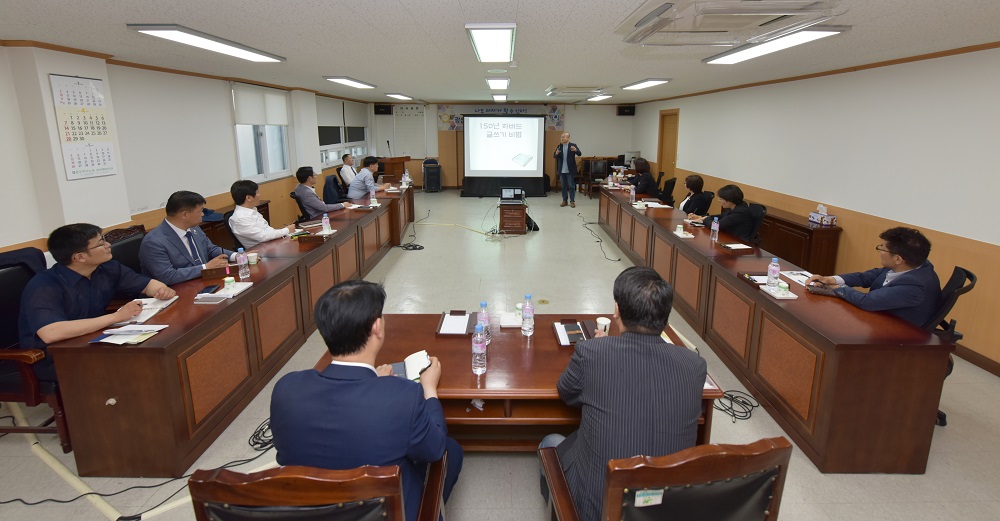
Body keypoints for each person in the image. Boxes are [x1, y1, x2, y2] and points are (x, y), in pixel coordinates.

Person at [270, 280, 463, 521]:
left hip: (312, 510)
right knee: (451, 450)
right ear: (377, 327)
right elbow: (435, 449)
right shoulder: (402, 396)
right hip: (391, 512)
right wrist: (429, 389)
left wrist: (372, 381)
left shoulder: (285, 390)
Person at [539, 266, 707, 521]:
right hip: (667, 508)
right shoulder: (694, 365)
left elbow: (566, 392)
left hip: (598, 509)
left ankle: (557, 506)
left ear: (617, 310)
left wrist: (596, 347)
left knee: (550, 442)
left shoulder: (592, 352)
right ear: (666, 316)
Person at [19, 223, 176, 381]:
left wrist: (161, 290)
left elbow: (147, 284)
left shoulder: (106, 268)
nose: (108, 245)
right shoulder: (44, 286)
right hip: (53, 357)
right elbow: (51, 333)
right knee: (135, 365)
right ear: (79, 257)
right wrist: (116, 317)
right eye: (101, 243)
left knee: (156, 349)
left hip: (92, 340)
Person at [806, 227, 942, 326]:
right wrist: (831, 279)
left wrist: (837, 287)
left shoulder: (915, 285)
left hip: (895, 334)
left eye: (882, 249)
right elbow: (865, 277)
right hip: (879, 316)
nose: (880, 251)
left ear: (898, 259)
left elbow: (867, 302)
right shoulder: (910, 264)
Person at [140, 191, 236, 285]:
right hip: (176, 290)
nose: (203, 214)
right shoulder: (153, 242)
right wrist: (205, 267)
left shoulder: (194, 228)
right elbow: (167, 276)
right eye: (200, 211)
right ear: (185, 215)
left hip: (203, 282)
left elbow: (211, 250)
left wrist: (237, 256)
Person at [228, 180, 294, 249]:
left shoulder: (251, 210)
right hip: (262, 252)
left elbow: (267, 230)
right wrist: (286, 230)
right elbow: (263, 236)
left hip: (272, 244)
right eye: (257, 193)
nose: (259, 195)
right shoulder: (240, 218)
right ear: (249, 198)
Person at [687, 184, 755, 242]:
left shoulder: (740, 212)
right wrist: (701, 217)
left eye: (721, 199)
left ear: (730, 201)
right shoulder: (736, 206)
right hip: (729, 238)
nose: (719, 201)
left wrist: (704, 219)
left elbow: (716, 226)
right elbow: (720, 216)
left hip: (737, 242)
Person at [553, 132, 582, 208]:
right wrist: (556, 153)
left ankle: (572, 201)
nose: (561, 138)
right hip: (561, 170)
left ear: (568, 138)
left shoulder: (573, 145)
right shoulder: (559, 146)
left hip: (570, 170)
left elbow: (579, 154)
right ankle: (564, 200)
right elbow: (554, 156)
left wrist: (575, 150)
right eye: (561, 137)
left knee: (571, 186)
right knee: (563, 186)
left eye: (563, 137)